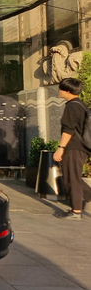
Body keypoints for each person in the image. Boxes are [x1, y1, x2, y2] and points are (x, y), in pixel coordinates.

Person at [52, 78, 91, 220]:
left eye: (61, 89)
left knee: (71, 178)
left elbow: (69, 130)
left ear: (67, 91)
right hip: (81, 147)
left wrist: (61, 148)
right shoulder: (81, 105)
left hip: (74, 147)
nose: (59, 91)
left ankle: (76, 212)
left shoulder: (72, 106)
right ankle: (85, 196)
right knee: (73, 176)